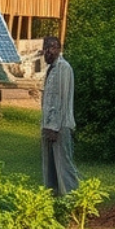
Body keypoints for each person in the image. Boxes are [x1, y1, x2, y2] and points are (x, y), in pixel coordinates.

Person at [40, 35, 80, 197]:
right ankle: (54, 197)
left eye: (51, 48)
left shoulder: (63, 68)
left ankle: (74, 197)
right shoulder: (52, 69)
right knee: (49, 166)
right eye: (45, 48)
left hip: (60, 126)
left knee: (64, 164)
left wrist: (54, 127)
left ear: (58, 49)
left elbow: (62, 100)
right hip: (48, 125)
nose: (47, 52)